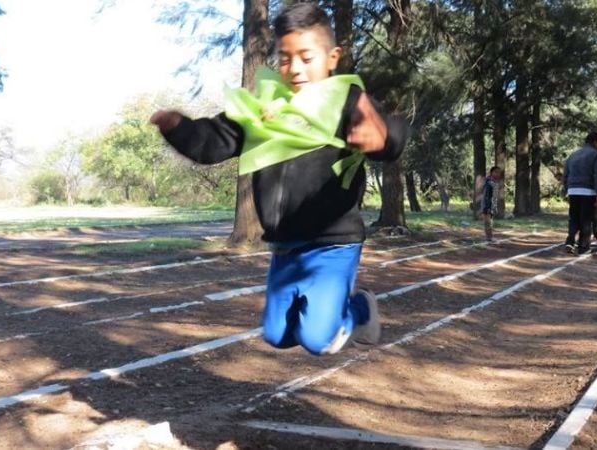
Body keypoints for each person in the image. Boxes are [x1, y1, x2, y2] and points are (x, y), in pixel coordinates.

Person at [150, 3, 408, 355]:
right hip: (285, 244)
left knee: (319, 339)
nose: (295, 68)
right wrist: (179, 128)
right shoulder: (263, 107)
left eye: (306, 57)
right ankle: (323, 314)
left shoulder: (345, 100)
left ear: (332, 57)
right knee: (278, 335)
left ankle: (360, 309)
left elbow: (389, 131)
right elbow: (215, 141)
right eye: (285, 58)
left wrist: (383, 137)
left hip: (334, 241)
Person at [563, 132, 597, 254]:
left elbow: (566, 174)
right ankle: (583, 246)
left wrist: (567, 189)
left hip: (573, 189)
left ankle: (570, 242)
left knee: (574, 218)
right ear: (596, 141)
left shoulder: (573, 155)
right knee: (586, 219)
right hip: (588, 190)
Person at [481, 166, 500, 242]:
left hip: (491, 206)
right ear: (492, 172)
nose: (498, 174)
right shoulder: (489, 182)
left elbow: (494, 197)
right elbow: (487, 196)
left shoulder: (495, 182)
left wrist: (495, 207)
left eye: (499, 172)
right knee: (488, 222)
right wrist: (488, 207)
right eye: (496, 172)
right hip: (487, 205)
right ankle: (489, 237)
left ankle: (489, 237)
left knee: (490, 222)